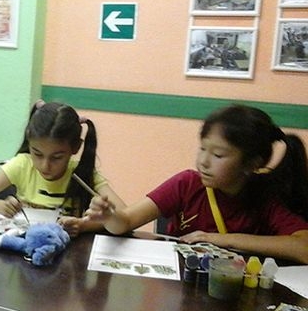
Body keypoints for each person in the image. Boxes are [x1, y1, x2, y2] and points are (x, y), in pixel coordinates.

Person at [87, 104, 308, 264]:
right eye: (202, 148)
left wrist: (222, 240)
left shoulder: (264, 196)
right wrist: (109, 216)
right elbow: (125, 222)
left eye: (218, 155)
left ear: (252, 163)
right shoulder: (186, 184)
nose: (203, 161)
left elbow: (304, 248)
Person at [0, 100, 125, 237]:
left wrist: (84, 225)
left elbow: (125, 216)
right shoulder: (22, 165)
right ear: (29, 141)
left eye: (57, 157)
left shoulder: (83, 172)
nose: (45, 165)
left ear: (75, 147)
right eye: (37, 154)